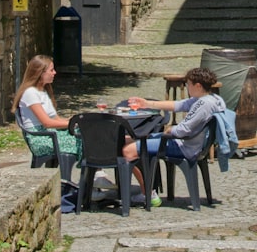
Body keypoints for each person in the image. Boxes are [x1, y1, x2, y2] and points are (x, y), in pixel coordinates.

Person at [13, 55, 157, 206]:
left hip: (53, 133)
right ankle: (95, 179)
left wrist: (75, 122)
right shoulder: (30, 93)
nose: (54, 73)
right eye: (51, 70)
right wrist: (76, 123)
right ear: (40, 73)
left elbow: (55, 118)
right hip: (43, 138)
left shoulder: (42, 91)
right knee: (90, 140)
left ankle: (95, 179)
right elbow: (47, 123)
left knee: (96, 136)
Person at [127, 67, 226, 165]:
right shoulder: (211, 99)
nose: (187, 87)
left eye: (189, 84)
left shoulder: (203, 104)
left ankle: (140, 181)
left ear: (198, 86)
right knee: (129, 140)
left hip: (184, 147)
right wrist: (147, 104)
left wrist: (171, 129)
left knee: (129, 150)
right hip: (189, 143)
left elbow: (184, 130)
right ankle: (151, 179)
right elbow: (178, 105)